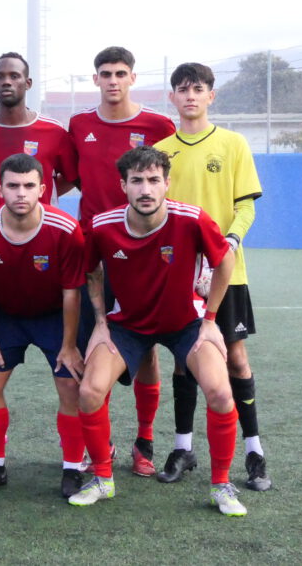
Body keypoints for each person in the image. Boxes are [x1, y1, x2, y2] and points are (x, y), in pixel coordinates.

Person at [69, 146, 246, 517]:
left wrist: (210, 320)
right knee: (89, 392)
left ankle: (221, 484)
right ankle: (103, 478)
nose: (145, 189)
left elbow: (225, 259)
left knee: (219, 392)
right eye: (137, 181)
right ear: (124, 186)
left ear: (167, 183)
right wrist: (101, 322)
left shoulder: (192, 219)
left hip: (186, 325)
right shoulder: (102, 226)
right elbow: (91, 271)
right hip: (128, 326)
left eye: (153, 180)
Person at [153, 62, 270, 490]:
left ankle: (254, 452)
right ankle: (183, 447)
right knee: (186, 361)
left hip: (227, 272)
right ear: (172, 97)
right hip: (181, 277)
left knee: (236, 359)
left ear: (210, 96)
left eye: (197, 89)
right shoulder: (163, 151)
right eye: (182, 89)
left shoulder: (233, 143)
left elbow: (247, 207)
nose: (189, 96)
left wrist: (229, 245)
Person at [66, 46, 177, 476]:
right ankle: (104, 442)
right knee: (97, 347)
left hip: (145, 253)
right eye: (105, 73)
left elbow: (168, 184)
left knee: (146, 350)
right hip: (95, 253)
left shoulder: (157, 125)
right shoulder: (79, 125)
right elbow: (72, 177)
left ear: (132, 77)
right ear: (95, 79)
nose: (113, 80)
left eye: (120, 73)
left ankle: (144, 440)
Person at [0, 153, 86, 494]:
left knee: (71, 386)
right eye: (13, 186)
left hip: (53, 318)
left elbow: (72, 293)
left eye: (29, 186)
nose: (21, 193)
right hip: (7, 318)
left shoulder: (65, 229)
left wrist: (69, 345)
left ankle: (73, 468)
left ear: (43, 190)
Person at [0, 51, 77, 215]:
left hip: (39, 230)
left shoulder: (54, 131)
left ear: (28, 83)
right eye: (0, 76)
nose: (7, 82)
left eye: (14, 76)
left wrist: (41, 193)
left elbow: (72, 176)